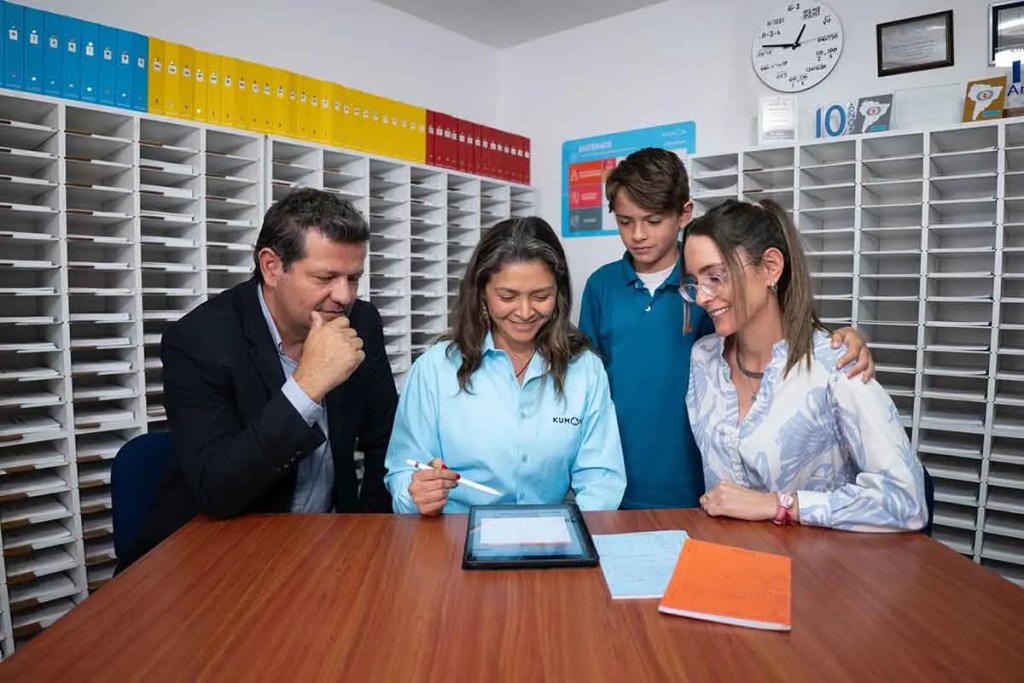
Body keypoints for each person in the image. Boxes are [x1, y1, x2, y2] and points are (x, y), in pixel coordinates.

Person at [579, 147, 874, 510]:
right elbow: (586, 386)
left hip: (696, 484)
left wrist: (843, 339)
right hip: (616, 477)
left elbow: (772, 330)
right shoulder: (601, 287)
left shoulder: (712, 288)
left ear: (684, 213)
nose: (638, 234)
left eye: (653, 221)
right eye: (625, 222)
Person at [119, 188, 398, 570]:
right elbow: (217, 489)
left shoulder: (362, 322)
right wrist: (307, 387)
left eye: (354, 277)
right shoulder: (199, 340)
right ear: (271, 267)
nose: (344, 296)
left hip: (330, 545)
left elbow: (386, 443)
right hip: (224, 555)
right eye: (325, 277)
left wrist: (366, 538)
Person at [683, 198, 927, 531]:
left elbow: (907, 500)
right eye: (695, 282)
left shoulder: (837, 365)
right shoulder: (703, 360)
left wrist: (778, 504)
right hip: (731, 559)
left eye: (715, 277)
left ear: (770, 267)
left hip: (818, 570)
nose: (701, 297)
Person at [384, 216, 626, 514]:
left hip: (552, 539)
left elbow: (601, 480)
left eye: (541, 296)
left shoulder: (585, 369)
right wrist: (417, 492)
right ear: (482, 292)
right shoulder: (435, 369)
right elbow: (403, 471)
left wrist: (572, 538)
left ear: (559, 293)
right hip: (453, 540)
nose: (525, 312)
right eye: (508, 296)